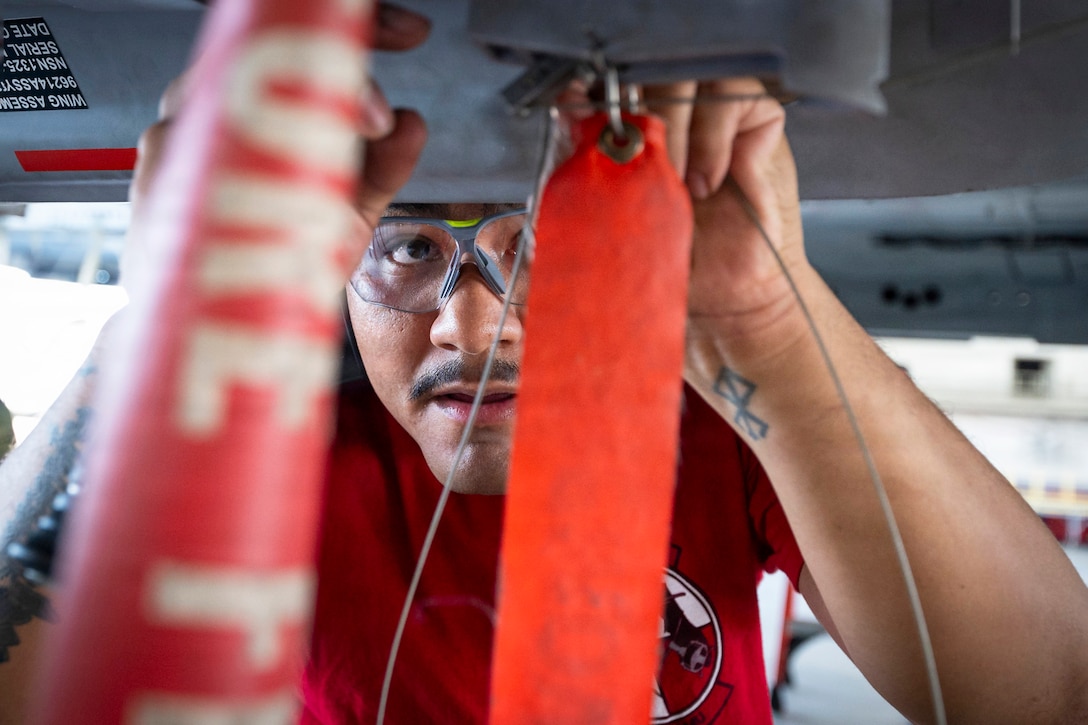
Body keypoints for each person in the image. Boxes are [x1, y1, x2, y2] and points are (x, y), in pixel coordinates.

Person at [2, 5, 1088, 724]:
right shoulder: (267, 462)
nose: (469, 332)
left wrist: (767, 323)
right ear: (341, 277)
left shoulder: (717, 427)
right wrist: (175, 328)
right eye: (411, 253)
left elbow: (1045, 694)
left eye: (543, 252)